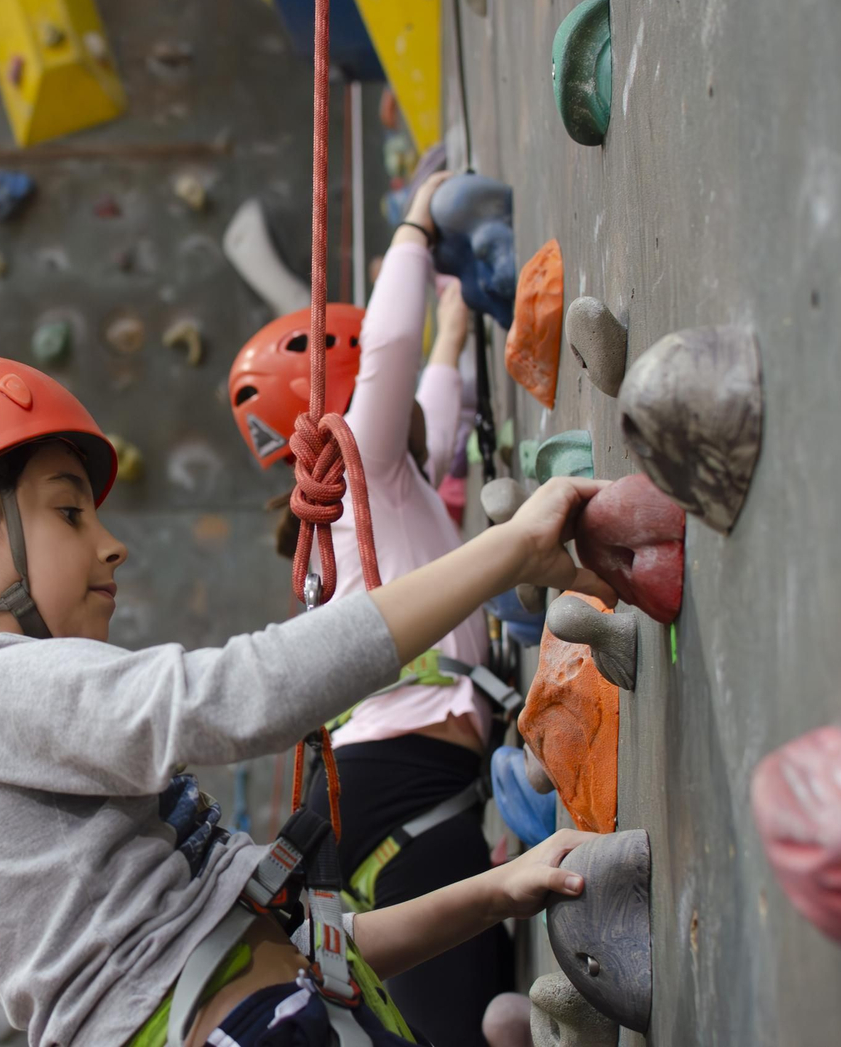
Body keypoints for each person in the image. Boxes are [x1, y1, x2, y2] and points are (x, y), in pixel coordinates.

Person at [0, 353, 615, 1047]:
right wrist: (506, 552)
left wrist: (497, 894)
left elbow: (306, 949)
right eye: (68, 511)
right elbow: (234, 696)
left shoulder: (31, 754)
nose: (111, 545)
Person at [228, 171, 522, 1047]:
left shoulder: (374, 504)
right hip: (396, 797)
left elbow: (432, 395)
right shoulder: (361, 484)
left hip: (389, 793)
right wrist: (415, 229)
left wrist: (456, 328)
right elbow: (393, 357)